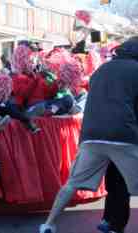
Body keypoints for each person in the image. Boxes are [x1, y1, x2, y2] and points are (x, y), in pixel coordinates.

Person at [39, 36, 138, 233]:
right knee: (123, 182)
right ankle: (113, 222)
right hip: (123, 135)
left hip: (92, 135)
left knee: (72, 183)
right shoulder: (135, 70)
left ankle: (48, 224)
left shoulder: (100, 70)